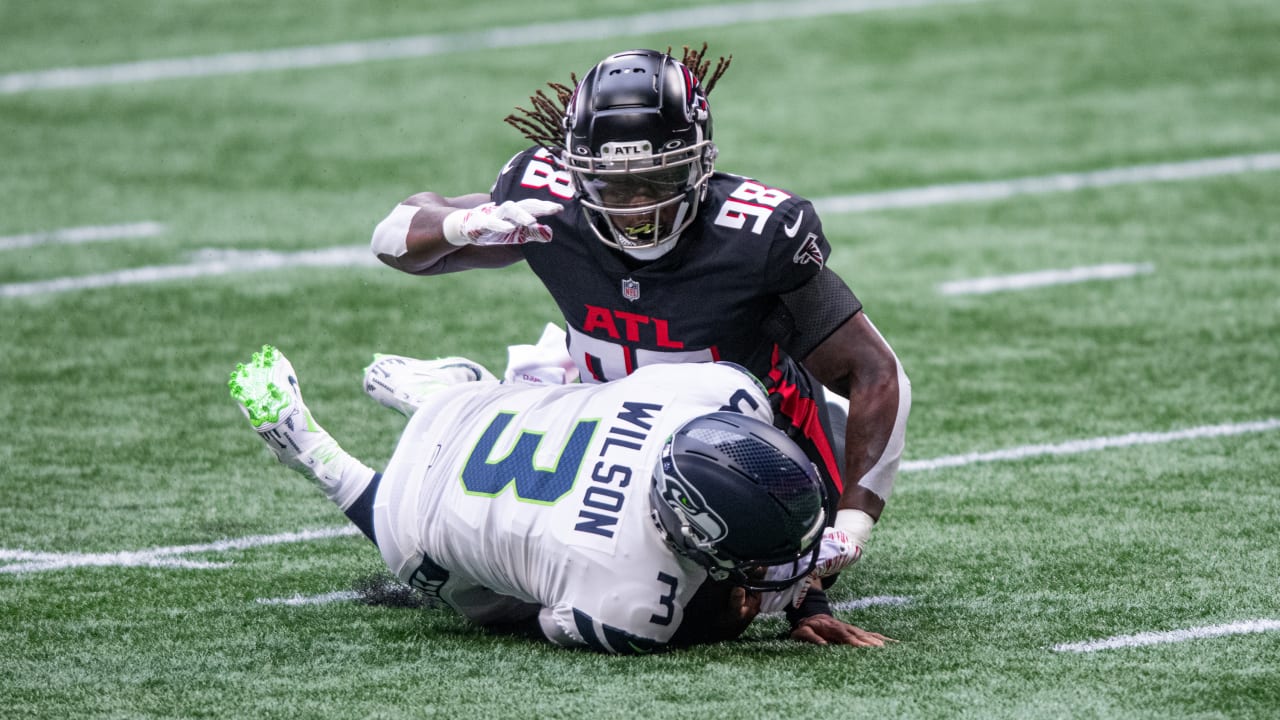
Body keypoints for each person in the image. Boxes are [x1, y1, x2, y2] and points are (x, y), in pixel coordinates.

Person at [368, 46, 911, 640]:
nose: (636, 205)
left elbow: (875, 372)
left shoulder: (755, 238)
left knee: (709, 614)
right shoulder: (548, 204)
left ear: (701, 162)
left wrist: (843, 535)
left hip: (743, 458)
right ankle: (484, 396)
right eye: (613, 184)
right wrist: (460, 226)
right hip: (603, 432)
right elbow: (394, 236)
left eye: (658, 179)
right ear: (576, 170)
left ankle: (523, 382)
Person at [229, 345, 891, 653]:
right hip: (411, 515)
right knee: (492, 604)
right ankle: (312, 453)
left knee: (579, 397)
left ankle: (450, 390)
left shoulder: (714, 394)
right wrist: (730, 615)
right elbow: (547, 622)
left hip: (490, 410)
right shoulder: (638, 607)